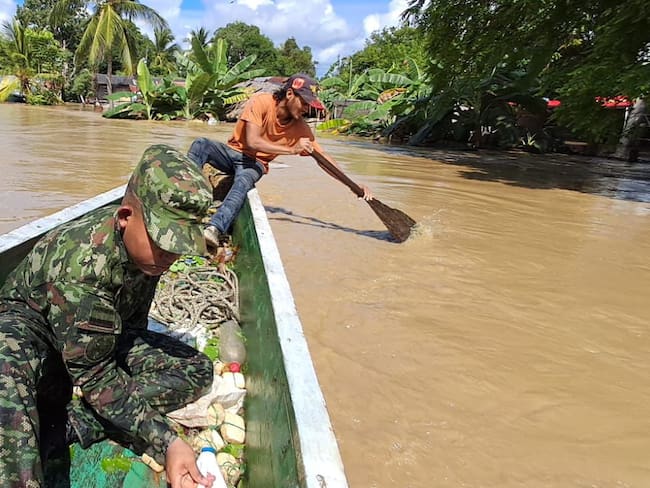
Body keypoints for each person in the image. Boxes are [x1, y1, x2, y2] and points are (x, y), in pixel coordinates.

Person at [0, 144, 217, 488]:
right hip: (34, 335)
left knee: (197, 370)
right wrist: (169, 441)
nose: (168, 256)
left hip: (98, 336)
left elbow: (132, 325)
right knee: (4, 367)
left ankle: (72, 423)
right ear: (125, 216)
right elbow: (99, 375)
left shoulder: (147, 253)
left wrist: (121, 375)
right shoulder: (81, 266)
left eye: (178, 245)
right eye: (162, 242)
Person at [187, 73, 373, 247]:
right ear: (290, 94)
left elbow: (322, 158)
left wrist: (353, 186)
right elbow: (252, 142)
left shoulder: (300, 127)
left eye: (310, 106)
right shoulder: (261, 102)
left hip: (255, 164)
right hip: (233, 152)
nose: (306, 109)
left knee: (244, 180)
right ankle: (186, 200)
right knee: (201, 144)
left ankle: (214, 228)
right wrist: (292, 149)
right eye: (304, 103)